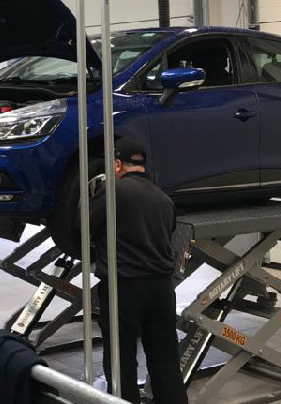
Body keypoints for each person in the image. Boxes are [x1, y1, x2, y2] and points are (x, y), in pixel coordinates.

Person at [89, 137, 188, 404]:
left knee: (121, 360)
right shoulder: (164, 198)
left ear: (118, 164)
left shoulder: (113, 192)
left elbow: (82, 225)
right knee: (165, 358)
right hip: (161, 288)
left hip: (124, 286)